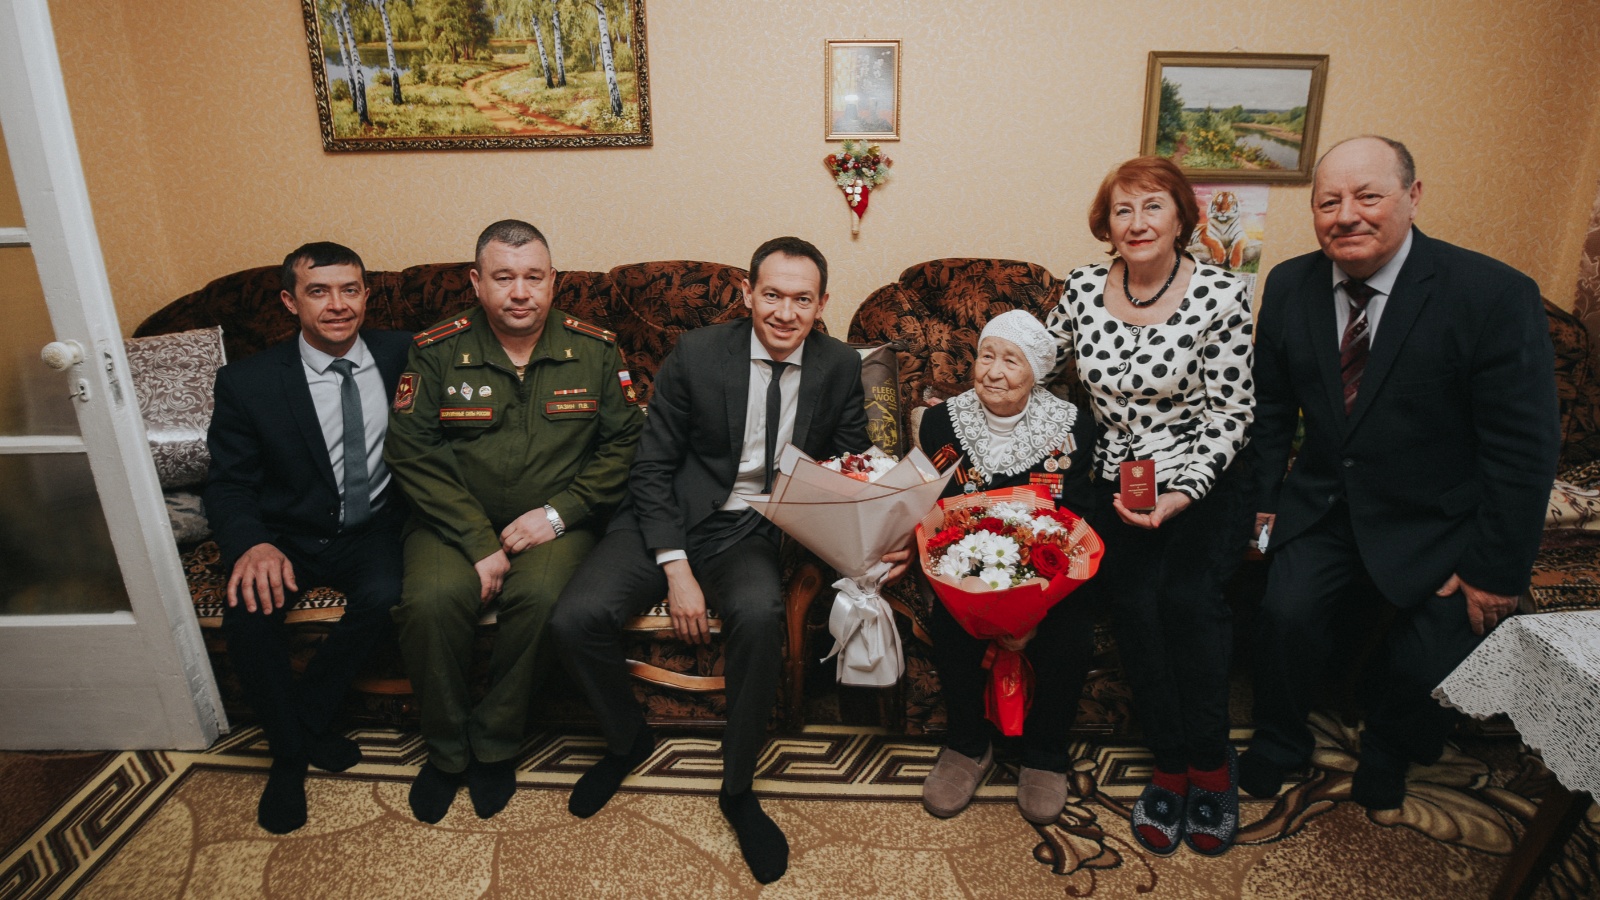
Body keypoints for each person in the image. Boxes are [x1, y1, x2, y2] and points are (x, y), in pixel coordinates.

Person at [550, 236, 909, 885]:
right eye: (772, 295)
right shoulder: (697, 352)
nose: (785, 313)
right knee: (574, 619)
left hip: (747, 530)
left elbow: (850, 463)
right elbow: (652, 466)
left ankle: (738, 786)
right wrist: (676, 568)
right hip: (664, 515)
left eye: (802, 299)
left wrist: (884, 527)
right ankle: (626, 739)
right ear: (747, 293)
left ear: (822, 303)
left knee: (760, 613)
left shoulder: (837, 365)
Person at [1238, 136, 1559, 811]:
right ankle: (1279, 739)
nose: (1346, 215)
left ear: (1412, 197)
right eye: (1329, 201)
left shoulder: (1492, 295)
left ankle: (1389, 747)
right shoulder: (1290, 285)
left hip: (1437, 518)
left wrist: (1495, 570)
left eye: (1368, 196)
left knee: (1427, 657)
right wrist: (1264, 502)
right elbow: (1271, 410)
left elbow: (1523, 449)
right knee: (1283, 616)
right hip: (1325, 506)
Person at [384, 220, 644, 824]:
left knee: (545, 599)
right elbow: (410, 452)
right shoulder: (436, 350)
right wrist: (480, 542)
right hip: (451, 523)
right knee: (430, 602)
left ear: (554, 282)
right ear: (477, 283)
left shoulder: (596, 349)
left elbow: (624, 445)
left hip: (556, 522)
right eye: (504, 278)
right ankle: (447, 752)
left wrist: (559, 513)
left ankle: (495, 745)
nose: (520, 293)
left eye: (533, 278)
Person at [1043, 156, 1257, 856]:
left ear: (1181, 218)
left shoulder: (1221, 293)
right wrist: (980, 397)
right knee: (1135, 607)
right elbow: (1038, 361)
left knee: (1188, 603)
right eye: (1123, 210)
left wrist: (1182, 492)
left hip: (1202, 480)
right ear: (1106, 224)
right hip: (1116, 479)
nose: (1137, 222)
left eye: (1153, 206)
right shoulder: (1081, 288)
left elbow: (1232, 412)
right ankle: (1169, 765)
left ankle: (1212, 766)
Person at [205, 242, 410, 834]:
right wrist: (252, 544)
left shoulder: (406, 354)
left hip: (373, 528)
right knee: (249, 612)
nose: (337, 305)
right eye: (318, 291)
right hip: (285, 533)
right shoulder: (247, 382)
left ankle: (304, 718)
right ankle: (289, 754)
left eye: (350, 290)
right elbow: (228, 483)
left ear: (366, 296)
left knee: (388, 593)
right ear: (290, 301)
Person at [917, 310, 1099, 825]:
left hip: (1047, 570)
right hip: (964, 566)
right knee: (949, 623)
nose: (993, 371)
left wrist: (1029, 606)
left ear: (1036, 372)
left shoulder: (1072, 427)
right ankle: (967, 746)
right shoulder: (940, 422)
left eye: (1011, 361)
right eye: (986, 356)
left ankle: (1046, 754)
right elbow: (931, 507)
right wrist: (971, 590)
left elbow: (1077, 516)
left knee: (1070, 632)